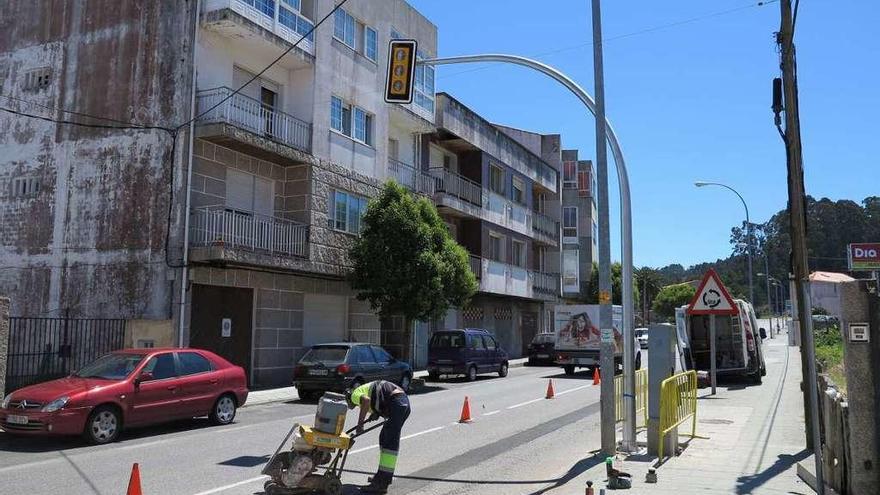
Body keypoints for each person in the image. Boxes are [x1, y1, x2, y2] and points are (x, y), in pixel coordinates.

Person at [346, 380, 411, 494]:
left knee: (389, 444)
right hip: (402, 402)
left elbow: (366, 401)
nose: (354, 405)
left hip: (397, 403)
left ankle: (382, 484)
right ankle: (381, 477)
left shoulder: (355, 395)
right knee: (384, 438)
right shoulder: (364, 389)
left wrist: (360, 425)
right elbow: (378, 397)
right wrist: (375, 413)